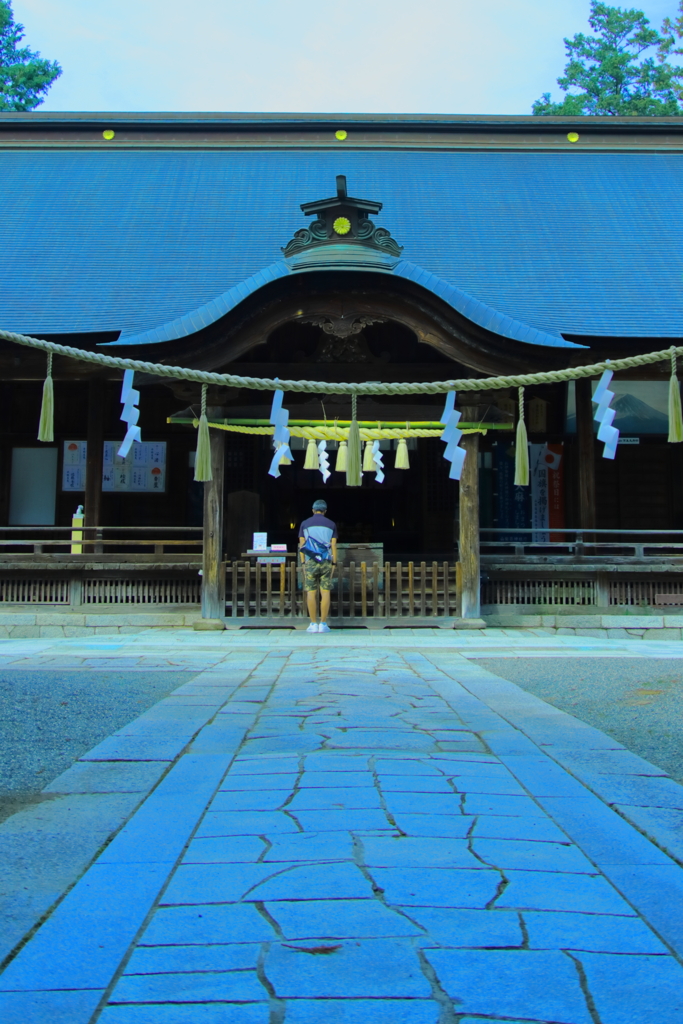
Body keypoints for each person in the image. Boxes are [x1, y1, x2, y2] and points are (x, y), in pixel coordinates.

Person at [298, 499, 338, 633]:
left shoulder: (305, 523)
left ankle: (313, 623)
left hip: (310, 561)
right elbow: (333, 545)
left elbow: (302, 545)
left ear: (313, 510)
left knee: (311, 591)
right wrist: (334, 563)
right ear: (325, 511)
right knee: (325, 591)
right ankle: (324, 624)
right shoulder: (331, 524)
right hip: (326, 560)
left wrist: (303, 562)